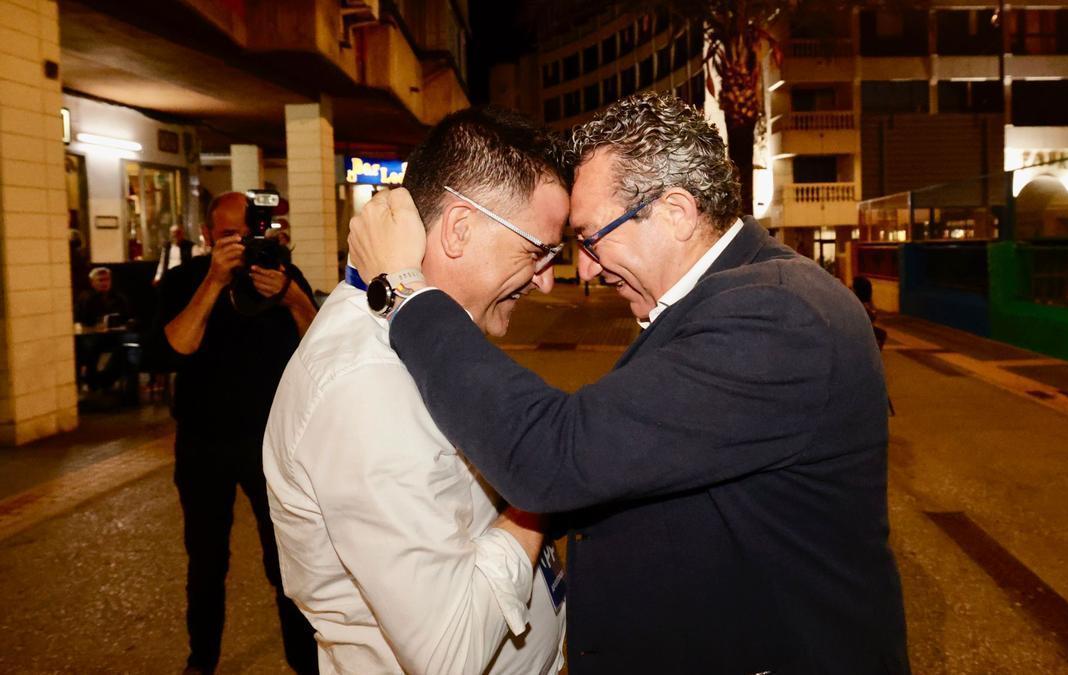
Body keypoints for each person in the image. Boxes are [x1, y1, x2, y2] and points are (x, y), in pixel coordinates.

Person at [350, 93, 910, 674]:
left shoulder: (777, 316)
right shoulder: (730, 299)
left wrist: (405, 293)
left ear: (675, 212)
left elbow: (554, 457)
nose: (586, 268)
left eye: (591, 237)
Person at [263, 107, 568, 675]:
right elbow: (449, 654)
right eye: (539, 250)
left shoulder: (432, 334)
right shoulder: (364, 387)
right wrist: (538, 489)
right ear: (458, 230)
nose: (546, 278)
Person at [149, 192, 319, 675]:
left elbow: (322, 351)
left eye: (247, 235)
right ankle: (202, 661)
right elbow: (174, 350)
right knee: (205, 561)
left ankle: (305, 664)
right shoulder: (186, 280)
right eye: (228, 237)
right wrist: (214, 280)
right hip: (203, 445)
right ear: (207, 237)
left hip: (271, 444)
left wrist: (293, 299)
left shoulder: (281, 272)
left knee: (285, 560)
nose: (241, 246)